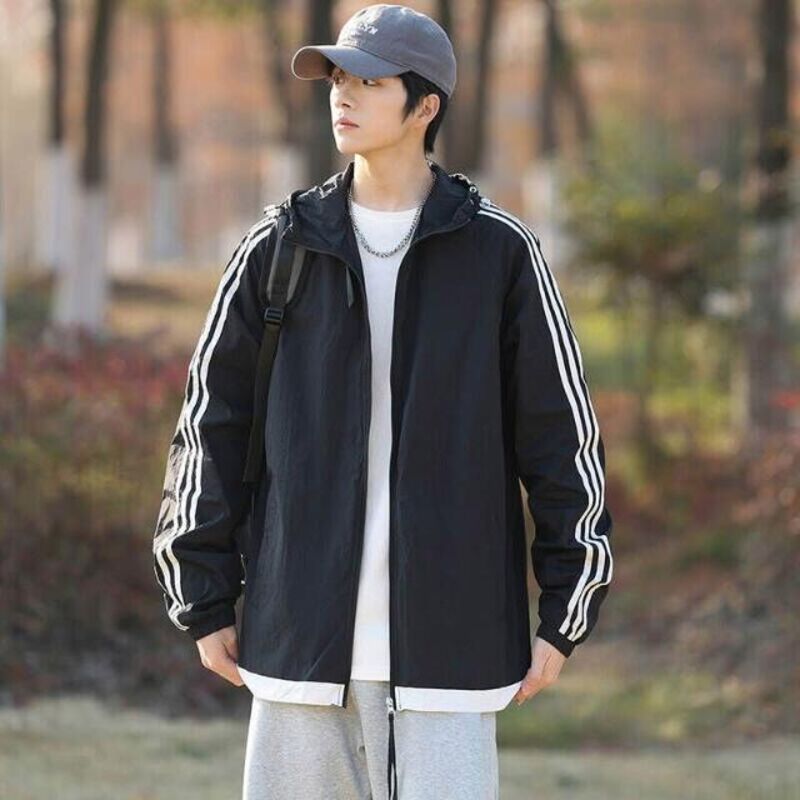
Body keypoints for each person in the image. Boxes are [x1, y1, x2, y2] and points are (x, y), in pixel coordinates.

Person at [152, 4, 614, 799]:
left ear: (425, 105)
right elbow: (210, 425)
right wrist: (201, 593)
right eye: (338, 77)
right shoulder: (281, 245)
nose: (343, 94)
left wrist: (567, 610)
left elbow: (561, 437)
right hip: (300, 640)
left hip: (453, 649)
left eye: (369, 82)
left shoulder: (500, 254)